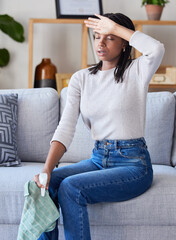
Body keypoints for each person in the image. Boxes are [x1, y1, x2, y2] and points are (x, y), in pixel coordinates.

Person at [34, 13, 165, 240]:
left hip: (133, 164)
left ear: (124, 43)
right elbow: (65, 127)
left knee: (71, 187)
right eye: (96, 37)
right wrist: (47, 168)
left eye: (110, 37)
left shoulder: (137, 70)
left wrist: (114, 26)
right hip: (98, 158)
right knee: (47, 184)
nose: (100, 44)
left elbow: (156, 48)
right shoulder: (81, 78)